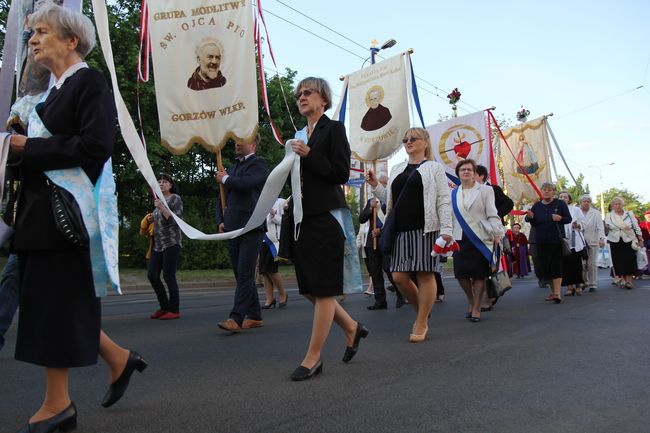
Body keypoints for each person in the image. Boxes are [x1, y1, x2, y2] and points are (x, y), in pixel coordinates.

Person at [8, 3, 146, 430]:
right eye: (30, 32)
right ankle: (119, 360)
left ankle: (59, 405)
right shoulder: (47, 95)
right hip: (37, 218)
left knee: (53, 308)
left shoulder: (90, 84)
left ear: (72, 40)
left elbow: (95, 147)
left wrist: (26, 148)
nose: (32, 39)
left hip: (65, 220)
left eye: (41, 31)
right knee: (52, 305)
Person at [289, 77, 367, 380]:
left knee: (323, 288)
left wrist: (310, 156)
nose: (301, 97)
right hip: (301, 216)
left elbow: (339, 172)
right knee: (310, 288)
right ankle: (351, 327)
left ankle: (313, 357)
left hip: (325, 215)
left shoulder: (333, 129)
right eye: (299, 94)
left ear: (323, 99)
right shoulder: (297, 134)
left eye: (308, 92)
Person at [367, 127, 453, 341]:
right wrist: (375, 185)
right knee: (399, 277)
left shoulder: (434, 168)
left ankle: (421, 322)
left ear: (425, 142)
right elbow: (389, 199)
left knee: (425, 274)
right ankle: (423, 310)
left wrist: (447, 230)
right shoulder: (397, 168)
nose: (408, 142)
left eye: (413, 138)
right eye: (405, 139)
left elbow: (443, 199)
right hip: (400, 230)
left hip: (426, 228)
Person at [216, 133, 269, 332]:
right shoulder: (232, 167)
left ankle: (236, 318)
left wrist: (226, 178)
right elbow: (222, 197)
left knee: (245, 273)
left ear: (254, 143)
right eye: (236, 140)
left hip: (251, 225)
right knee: (241, 274)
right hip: (232, 227)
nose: (237, 143)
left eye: (243, 140)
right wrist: (221, 220)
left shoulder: (259, 164)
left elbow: (246, 184)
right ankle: (254, 315)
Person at [450, 159, 504, 322]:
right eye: (462, 170)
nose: (466, 172)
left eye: (469, 170)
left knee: (479, 274)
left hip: (480, 238)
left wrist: (497, 233)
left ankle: (476, 307)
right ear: (458, 173)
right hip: (460, 238)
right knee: (461, 274)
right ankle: (471, 300)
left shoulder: (486, 191)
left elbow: (492, 213)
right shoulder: (453, 193)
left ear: (474, 173)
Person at [525, 182, 572, 303]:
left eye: (549, 190)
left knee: (556, 266)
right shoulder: (537, 206)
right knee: (546, 268)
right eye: (544, 190)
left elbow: (568, 219)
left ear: (553, 192)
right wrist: (530, 216)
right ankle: (553, 292)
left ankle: (557, 293)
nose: (546, 191)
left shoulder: (559, 204)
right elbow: (533, 222)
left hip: (555, 239)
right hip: (541, 241)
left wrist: (560, 218)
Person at [147, 173, 183, 320]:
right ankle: (164, 307)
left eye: (164, 182)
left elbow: (175, 221)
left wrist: (161, 207)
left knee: (168, 276)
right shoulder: (158, 201)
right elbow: (159, 222)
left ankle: (174, 310)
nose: (161, 184)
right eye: (159, 182)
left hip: (172, 243)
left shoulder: (175, 198)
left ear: (171, 185)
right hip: (158, 245)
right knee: (152, 275)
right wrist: (151, 218)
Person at [605, 197, 643, 289]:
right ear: (612, 206)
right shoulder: (609, 215)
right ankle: (624, 280)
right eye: (615, 204)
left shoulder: (629, 214)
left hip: (628, 239)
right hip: (615, 240)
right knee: (619, 261)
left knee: (629, 259)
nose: (617, 205)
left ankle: (629, 281)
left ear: (623, 205)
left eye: (619, 203)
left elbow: (636, 226)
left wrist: (640, 238)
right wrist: (605, 227)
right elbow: (607, 228)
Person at [260, 197, 288, 309]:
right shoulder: (261, 202)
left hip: (275, 241)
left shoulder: (281, 202)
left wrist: (273, 215)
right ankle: (269, 298)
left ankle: (283, 294)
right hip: (263, 240)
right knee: (263, 270)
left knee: (271, 269)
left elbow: (286, 222)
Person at [558, 192, 586, 296]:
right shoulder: (556, 209)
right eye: (560, 197)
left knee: (576, 263)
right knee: (565, 264)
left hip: (574, 240)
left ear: (569, 199)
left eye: (565, 197)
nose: (562, 198)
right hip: (562, 240)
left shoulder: (576, 210)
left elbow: (583, 222)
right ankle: (569, 287)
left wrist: (578, 225)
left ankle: (578, 285)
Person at [579, 195, 606, 291]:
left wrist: (601, 238)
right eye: (584, 201)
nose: (586, 203)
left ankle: (592, 284)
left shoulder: (595, 213)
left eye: (588, 201)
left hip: (592, 240)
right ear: (580, 202)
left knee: (592, 263)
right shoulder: (577, 211)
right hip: (580, 241)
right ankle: (583, 281)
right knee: (582, 263)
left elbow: (600, 227)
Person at [638, 210, 650, 276]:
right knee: (645, 257)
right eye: (647, 216)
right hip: (644, 241)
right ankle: (646, 270)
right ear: (645, 216)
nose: (649, 217)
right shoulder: (642, 224)